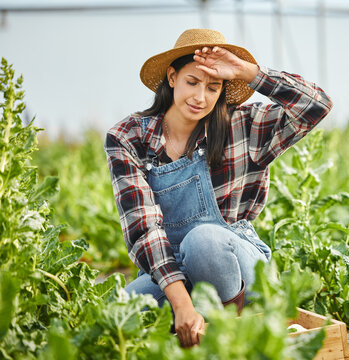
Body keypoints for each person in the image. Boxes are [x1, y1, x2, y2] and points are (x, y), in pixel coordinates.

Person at [104, 28, 332, 348]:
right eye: (192, 82)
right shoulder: (129, 137)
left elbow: (316, 105)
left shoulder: (244, 126)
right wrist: (182, 305)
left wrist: (248, 72)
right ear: (172, 77)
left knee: (204, 239)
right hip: (177, 271)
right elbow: (142, 227)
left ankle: (229, 335)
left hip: (240, 265)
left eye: (214, 87)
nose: (201, 98)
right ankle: (196, 321)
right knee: (119, 309)